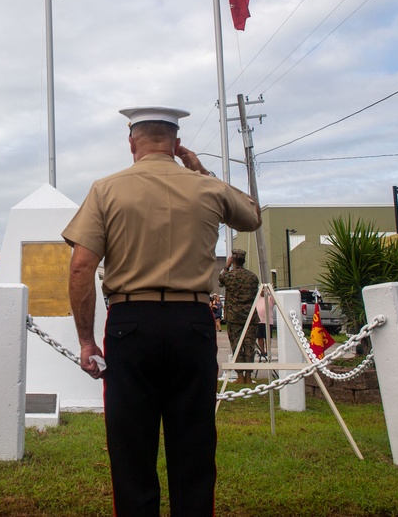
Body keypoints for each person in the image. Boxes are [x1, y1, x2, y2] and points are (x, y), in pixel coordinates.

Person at [63, 106, 261, 516]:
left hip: (130, 325)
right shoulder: (205, 187)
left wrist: (85, 340)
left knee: (131, 447)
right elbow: (252, 216)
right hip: (192, 323)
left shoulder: (106, 188)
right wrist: (202, 171)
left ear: (132, 142)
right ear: (176, 143)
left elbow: (81, 266)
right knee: (194, 444)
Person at [219, 248, 260, 383]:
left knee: (236, 345)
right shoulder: (253, 277)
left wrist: (226, 266)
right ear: (244, 261)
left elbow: (220, 281)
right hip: (250, 316)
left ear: (233, 261)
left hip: (234, 316)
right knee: (249, 346)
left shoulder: (228, 276)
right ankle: (249, 375)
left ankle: (240, 376)